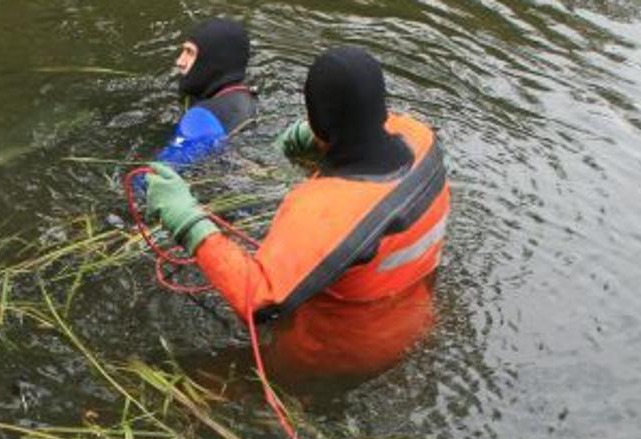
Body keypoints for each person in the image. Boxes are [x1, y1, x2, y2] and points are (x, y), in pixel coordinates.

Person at [143, 46, 451, 383]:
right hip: (416, 318)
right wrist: (317, 136)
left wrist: (187, 220)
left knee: (194, 381)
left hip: (339, 353)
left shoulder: (322, 210)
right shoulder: (423, 141)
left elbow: (257, 302)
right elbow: (380, 120)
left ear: (319, 120)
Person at [155, 18, 259, 165]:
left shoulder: (201, 117)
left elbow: (153, 180)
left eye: (190, 52)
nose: (179, 61)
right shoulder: (247, 99)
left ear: (213, 60)